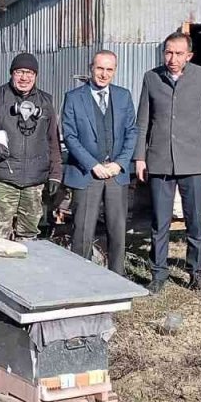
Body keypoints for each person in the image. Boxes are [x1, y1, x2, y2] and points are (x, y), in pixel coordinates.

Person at [135, 32, 201, 295]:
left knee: (195, 221)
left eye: (179, 54)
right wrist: (140, 157)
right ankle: (158, 274)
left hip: (193, 162)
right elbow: (143, 122)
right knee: (160, 222)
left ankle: (197, 274)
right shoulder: (152, 77)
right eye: (168, 53)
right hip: (159, 161)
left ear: (189, 56)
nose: (172, 59)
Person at [61, 50, 137, 275]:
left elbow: (132, 132)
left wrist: (120, 163)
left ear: (115, 71)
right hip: (87, 174)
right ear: (91, 68)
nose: (104, 74)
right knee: (82, 231)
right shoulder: (74, 97)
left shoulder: (123, 96)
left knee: (117, 229)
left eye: (109, 69)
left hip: (116, 173)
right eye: (100, 68)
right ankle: (80, 279)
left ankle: (117, 279)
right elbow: (70, 136)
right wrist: (92, 165)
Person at [0, 53, 62, 241]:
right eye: (20, 72)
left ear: (35, 76)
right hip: (1, 178)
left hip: (34, 181)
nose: (24, 77)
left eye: (29, 73)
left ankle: (26, 271)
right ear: (12, 73)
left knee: (29, 236)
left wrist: (55, 174)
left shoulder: (46, 102)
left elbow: (53, 140)